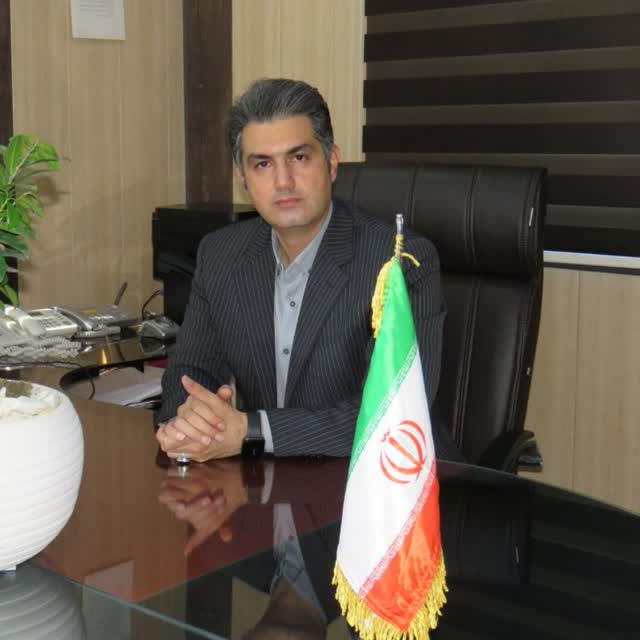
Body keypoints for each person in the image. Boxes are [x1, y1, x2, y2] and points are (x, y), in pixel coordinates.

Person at [156, 78, 450, 461]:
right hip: (266, 483)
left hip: (382, 481)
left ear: (331, 162)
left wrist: (252, 430)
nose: (283, 182)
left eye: (298, 158)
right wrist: (190, 422)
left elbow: (393, 409)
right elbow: (189, 372)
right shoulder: (221, 255)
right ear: (243, 178)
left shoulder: (399, 263)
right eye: (262, 164)